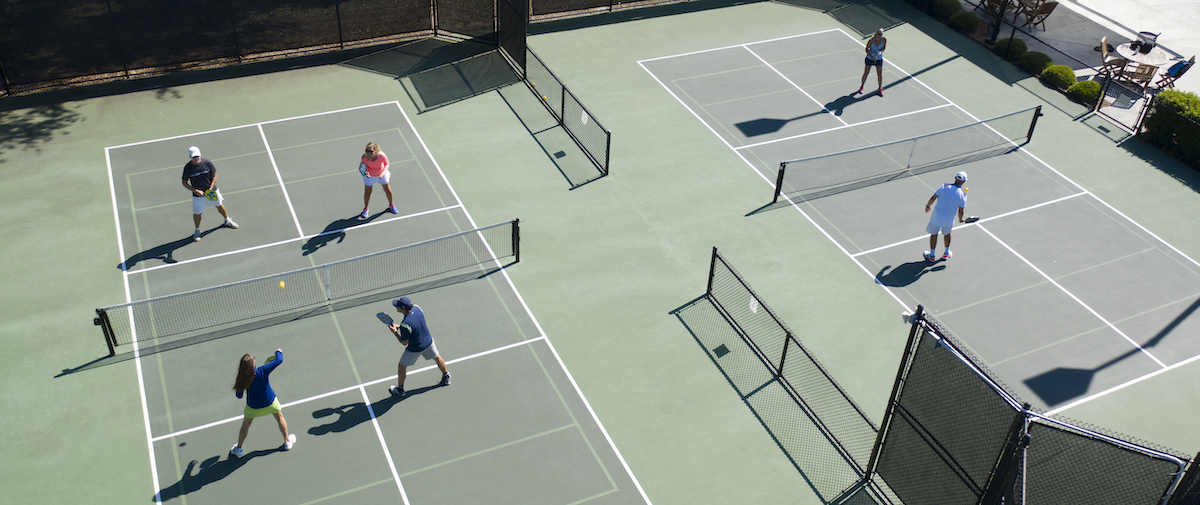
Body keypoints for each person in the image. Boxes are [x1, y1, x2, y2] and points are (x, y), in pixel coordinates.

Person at [230, 349, 296, 458]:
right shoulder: (263, 370)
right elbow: (279, 360)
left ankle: (238, 448)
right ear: (252, 365)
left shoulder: (242, 378)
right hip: (270, 403)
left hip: (253, 407)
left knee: (245, 426)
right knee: (280, 417)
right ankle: (287, 442)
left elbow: (239, 395)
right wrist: (278, 351)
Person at [387, 297, 450, 398]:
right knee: (437, 357)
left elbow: (404, 342)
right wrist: (399, 326)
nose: (396, 307)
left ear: (403, 309)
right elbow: (414, 325)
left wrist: (395, 332)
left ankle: (400, 390)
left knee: (401, 366)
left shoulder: (405, 325)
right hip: (428, 342)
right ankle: (446, 376)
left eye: (398, 306)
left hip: (415, 348)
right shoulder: (417, 308)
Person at [182, 146, 238, 242]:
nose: (196, 158)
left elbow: (214, 175)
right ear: (190, 157)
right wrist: (195, 191)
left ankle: (227, 220)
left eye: (197, 156)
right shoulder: (188, 168)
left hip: (212, 192)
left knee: (219, 205)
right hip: (198, 195)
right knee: (197, 213)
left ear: (200, 154)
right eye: (194, 157)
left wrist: (211, 188)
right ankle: (197, 230)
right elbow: (184, 182)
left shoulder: (207, 162)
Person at [924, 171, 969, 261]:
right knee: (947, 234)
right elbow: (961, 210)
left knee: (934, 234)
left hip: (936, 216)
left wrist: (928, 205)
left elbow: (933, 197)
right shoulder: (963, 194)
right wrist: (960, 218)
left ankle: (932, 256)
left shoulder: (944, 186)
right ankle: (946, 253)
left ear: (955, 177)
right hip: (949, 219)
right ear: (964, 181)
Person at [360, 142, 397, 219]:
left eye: (371, 151)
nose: (369, 153)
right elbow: (363, 167)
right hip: (370, 176)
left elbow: (387, 164)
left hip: (381, 175)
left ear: (376, 150)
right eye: (367, 151)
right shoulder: (364, 158)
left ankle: (391, 205)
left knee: (388, 190)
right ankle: (366, 208)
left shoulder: (381, 155)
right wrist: (366, 173)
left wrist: (383, 173)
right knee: (368, 192)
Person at [857, 28, 887, 97]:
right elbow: (867, 49)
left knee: (880, 74)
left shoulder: (884, 40)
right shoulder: (871, 40)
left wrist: (880, 52)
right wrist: (871, 56)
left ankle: (880, 88)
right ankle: (862, 87)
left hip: (878, 59)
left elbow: (883, 48)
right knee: (866, 73)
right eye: (878, 34)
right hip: (870, 58)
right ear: (876, 34)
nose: (880, 35)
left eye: (881, 34)